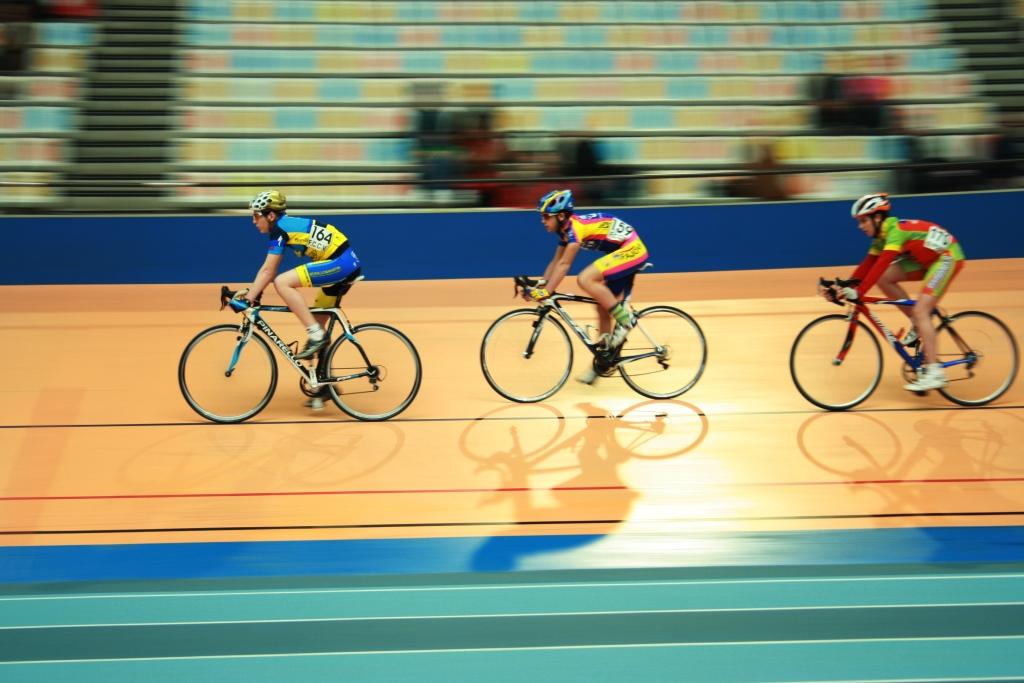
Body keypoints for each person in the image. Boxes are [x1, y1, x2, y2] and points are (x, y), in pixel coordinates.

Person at [236, 190, 363, 410]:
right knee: (317, 326)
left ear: (271, 215)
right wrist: (252, 293)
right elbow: (266, 271)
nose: (253, 221)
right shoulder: (284, 226)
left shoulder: (280, 230)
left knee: (282, 282)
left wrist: (250, 297)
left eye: (256, 215)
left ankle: (316, 335)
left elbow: (268, 271)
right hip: (343, 261)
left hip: (340, 263)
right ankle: (325, 385)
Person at [829, 193, 965, 391]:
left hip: (947, 257)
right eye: (859, 222)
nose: (860, 226)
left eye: (863, 220)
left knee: (921, 311)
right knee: (884, 278)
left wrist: (859, 292)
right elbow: (867, 265)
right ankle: (918, 323)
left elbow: (882, 263)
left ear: (877, 218)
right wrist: (843, 287)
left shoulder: (895, 231)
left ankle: (935, 373)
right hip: (925, 260)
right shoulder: (880, 238)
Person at [525, 189, 649, 384]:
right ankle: (604, 361)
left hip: (632, 249)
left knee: (585, 279)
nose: (542, 221)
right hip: (622, 251)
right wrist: (539, 284)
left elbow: (564, 265)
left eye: (546, 216)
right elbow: (555, 262)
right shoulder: (565, 233)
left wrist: (547, 292)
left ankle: (626, 319)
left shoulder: (575, 230)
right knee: (602, 305)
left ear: (561, 216)